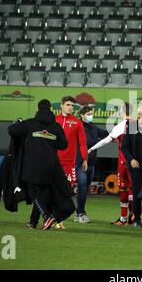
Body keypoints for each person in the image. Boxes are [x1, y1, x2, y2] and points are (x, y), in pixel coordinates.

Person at [8, 99, 69, 230]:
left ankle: (48, 217)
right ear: (50, 109)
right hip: (51, 167)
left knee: (33, 192)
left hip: (32, 165)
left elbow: (13, 131)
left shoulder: (30, 123)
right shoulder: (56, 126)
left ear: (38, 108)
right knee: (41, 195)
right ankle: (33, 222)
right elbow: (63, 145)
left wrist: (17, 123)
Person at [88, 102, 133, 225]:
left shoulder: (120, 126)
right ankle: (134, 216)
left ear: (122, 112)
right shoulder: (140, 125)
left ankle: (124, 218)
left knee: (124, 189)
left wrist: (91, 148)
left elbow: (105, 141)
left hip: (124, 163)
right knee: (133, 189)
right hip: (136, 163)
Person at [55, 96, 88, 229]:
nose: (70, 107)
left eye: (72, 105)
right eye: (68, 105)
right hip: (54, 161)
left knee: (65, 192)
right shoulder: (54, 120)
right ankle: (55, 218)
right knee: (54, 190)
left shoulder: (77, 123)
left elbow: (82, 142)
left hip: (69, 163)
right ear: (62, 105)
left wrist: (85, 158)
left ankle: (59, 218)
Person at [74, 106, 108, 224]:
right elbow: (87, 141)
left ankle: (79, 212)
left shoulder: (93, 128)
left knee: (85, 189)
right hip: (81, 162)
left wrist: (116, 131)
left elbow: (105, 133)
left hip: (91, 163)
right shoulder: (79, 126)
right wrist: (102, 141)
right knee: (82, 188)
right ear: (82, 115)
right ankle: (80, 213)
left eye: (91, 113)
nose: (90, 115)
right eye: (88, 113)